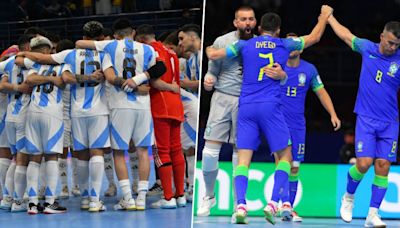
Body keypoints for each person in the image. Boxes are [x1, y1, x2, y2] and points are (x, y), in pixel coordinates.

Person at [206, 5, 333, 224]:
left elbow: (215, 54)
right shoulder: (285, 44)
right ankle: (274, 202)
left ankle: (241, 207)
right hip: (270, 107)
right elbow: (314, 37)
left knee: (243, 160)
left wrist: (208, 48)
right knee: (285, 156)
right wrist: (323, 16)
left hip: (246, 107)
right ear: (278, 30)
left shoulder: (244, 44)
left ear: (260, 27)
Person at [75, 18, 167, 211]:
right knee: (143, 151)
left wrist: (129, 83)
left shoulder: (110, 45)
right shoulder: (147, 49)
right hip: (143, 106)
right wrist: (139, 81)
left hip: (119, 106)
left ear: (115, 35)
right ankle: (141, 198)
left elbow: (81, 45)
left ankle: (127, 198)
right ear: (133, 32)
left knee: (118, 153)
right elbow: (160, 68)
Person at [19, 21, 111, 212]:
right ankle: (91, 200)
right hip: (91, 111)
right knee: (92, 153)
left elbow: (31, 69)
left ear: (83, 37)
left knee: (40, 157)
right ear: (101, 38)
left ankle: (33, 203)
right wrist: (92, 78)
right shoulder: (105, 54)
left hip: (64, 112)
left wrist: (22, 54)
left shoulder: (65, 56)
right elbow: (69, 79)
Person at [328, 13, 400, 227]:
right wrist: (329, 17)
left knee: (383, 164)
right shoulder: (367, 48)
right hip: (367, 119)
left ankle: (373, 214)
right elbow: (345, 35)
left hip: (390, 122)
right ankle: (348, 197)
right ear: (381, 37)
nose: (392, 48)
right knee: (364, 163)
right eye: (389, 43)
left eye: (397, 45)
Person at [197, 6, 257, 218]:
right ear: (235, 22)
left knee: (239, 156)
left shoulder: (261, 45)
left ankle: (237, 205)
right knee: (209, 153)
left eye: (251, 19)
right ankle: (209, 195)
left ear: (255, 22)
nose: (247, 23)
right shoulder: (222, 41)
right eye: (243, 19)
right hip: (222, 98)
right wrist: (208, 81)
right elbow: (211, 71)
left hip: (247, 103)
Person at [275, 32, 341, 222]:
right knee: (282, 164)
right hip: (277, 123)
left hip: (297, 125)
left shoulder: (309, 70)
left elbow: (321, 92)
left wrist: (333, 114)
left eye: (296, 43)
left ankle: (288, 208)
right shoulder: (275, 67)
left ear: (302, 47)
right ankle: (283, 204)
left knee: (295, 167)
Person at [136, 24, 186, 208]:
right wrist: (173, 88)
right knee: (176, 150)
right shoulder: (171, 51)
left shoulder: (150, 50)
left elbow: (156, 80)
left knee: (162, 151)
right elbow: (176, 82)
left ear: (141, 39)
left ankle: (168, 198)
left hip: (160, 105)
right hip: (176, 104)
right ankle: (180, 195)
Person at [16, 36, 68, 214]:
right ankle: (49, 203)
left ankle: (31, 203)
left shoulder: (34, 66)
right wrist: (52, 79)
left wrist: (44, 79)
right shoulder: (61, 63)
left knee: (34, 157)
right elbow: (62, 81)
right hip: (52, 113)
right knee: (52, 156)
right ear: (47, 51)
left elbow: (30, 81)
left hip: (33, 112)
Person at [0, 35, 32, 211]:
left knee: (14, 157)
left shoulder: (9, 62)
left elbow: (2, 85)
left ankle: (7, 198)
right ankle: (18, 201)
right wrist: (20, 88)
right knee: (22, 158)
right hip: (23, 115)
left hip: (10, 114)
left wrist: (13, 87)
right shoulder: (33, 62)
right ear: (26, 46)